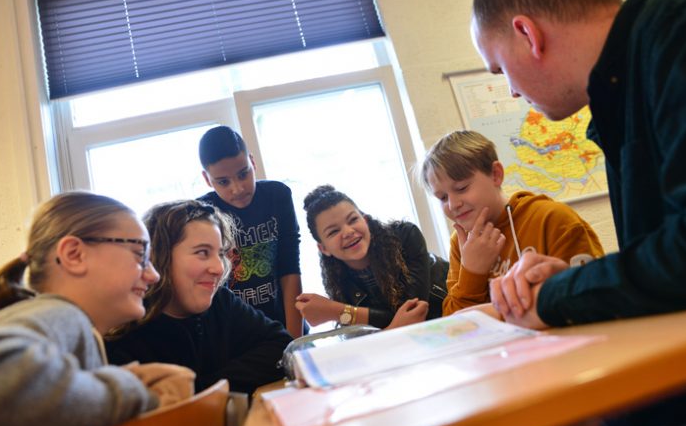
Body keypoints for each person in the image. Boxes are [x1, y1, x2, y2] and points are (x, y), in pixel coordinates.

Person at [471, 0, 686, 426]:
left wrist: (560, 296)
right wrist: (578, 278)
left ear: (528, 33)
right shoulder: (623, 89)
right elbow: (678, 245)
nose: (510, 89)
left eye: (500, 68)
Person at [0, 192, 194, 426]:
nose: (153, 275)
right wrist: (137, 388)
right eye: (140, 255)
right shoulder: (59, 313)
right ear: (74, 255)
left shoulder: (74, 327)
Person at [106, 200, 293, 395]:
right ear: (160, 258)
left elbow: (282, 345)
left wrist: (206, 390)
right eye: (203, 253)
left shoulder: (221, 301)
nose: (219, 267)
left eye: (220, 253)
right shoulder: (126, 329)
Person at [419, 130, 604, 316]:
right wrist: (472, 272)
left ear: (496, 175)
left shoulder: (552, 219)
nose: (453, 204)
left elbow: (593, 300)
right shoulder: (461, 243)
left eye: (461, 188)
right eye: (442, 197)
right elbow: (455, 324)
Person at [197, 126, 304, 337]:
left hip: (286, 322)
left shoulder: (277, 195)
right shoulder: (203, 213)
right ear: (208, 179)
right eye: (223, 182)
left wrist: (293, 341)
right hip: (236, 334)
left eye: (243, 173)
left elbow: (290, 267)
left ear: (252, 162)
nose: (237, 188)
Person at [296, 185, 444, 330]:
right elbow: (387, 329)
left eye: (353, 220)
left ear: (365, 220)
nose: (348, 232)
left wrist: (339, 312)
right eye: (333, 231)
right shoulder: (338, 278)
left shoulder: (405, 236)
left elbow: (415, 313)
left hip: (451, 319)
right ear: (324, 249)